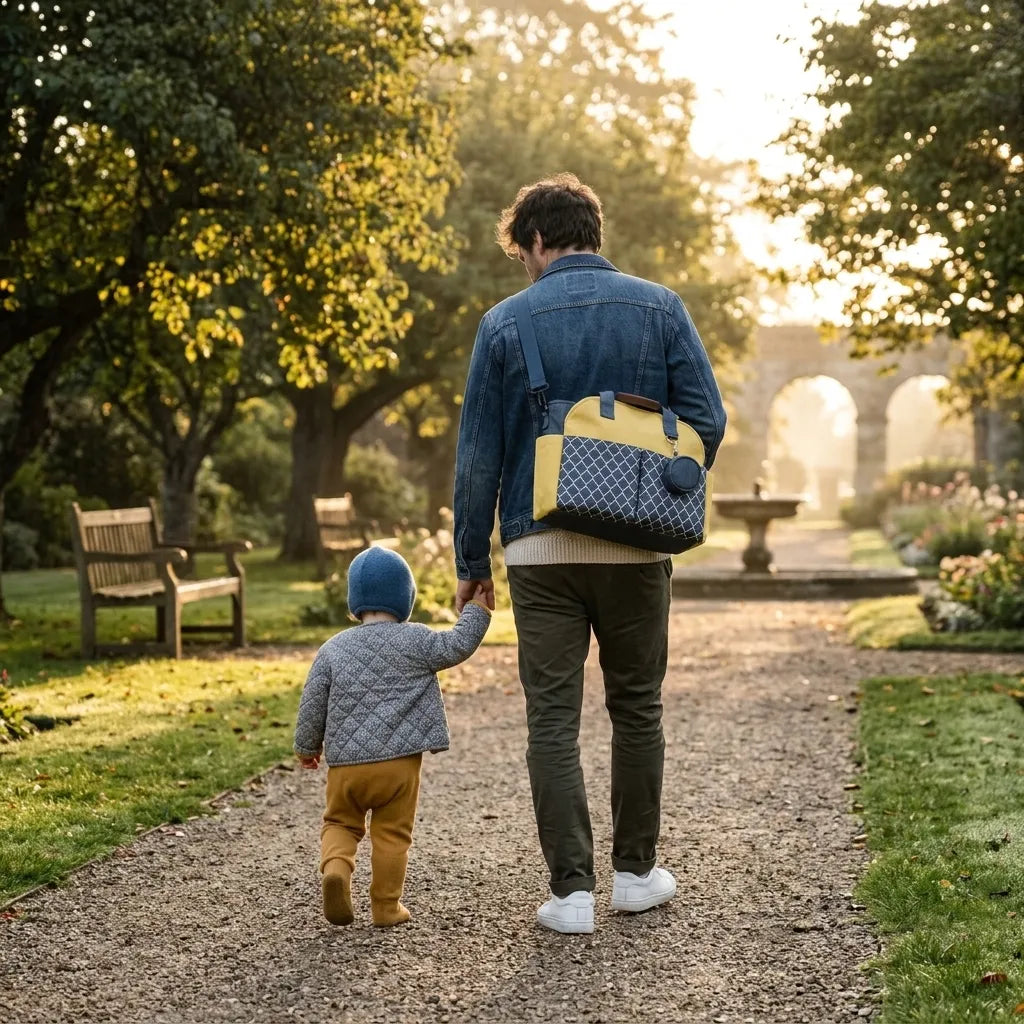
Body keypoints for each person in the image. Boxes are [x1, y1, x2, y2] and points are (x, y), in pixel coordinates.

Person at [452, 173, 727, 934]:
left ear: (537, 240)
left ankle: (571, 894)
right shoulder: (661, 307)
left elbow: (478, 456)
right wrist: (654, 478)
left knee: (552, 719)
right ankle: (637, 875)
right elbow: (707, 419)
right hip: (638, 550)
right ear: (589, 232)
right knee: (637, 708)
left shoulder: (505, 322)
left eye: (522, 253)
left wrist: (471, 561)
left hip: (540, 549)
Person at [293, 545, 491, 927]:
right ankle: (385, 907)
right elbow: (456, 645)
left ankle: (336, 869)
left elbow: (312, 701)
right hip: (399, 767)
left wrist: (307, 747)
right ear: (406, 599)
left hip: (346, 769)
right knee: (392, 834)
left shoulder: (332, 649)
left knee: (340, 824)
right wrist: (477, 612)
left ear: (355, 603)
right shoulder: (416, 640)